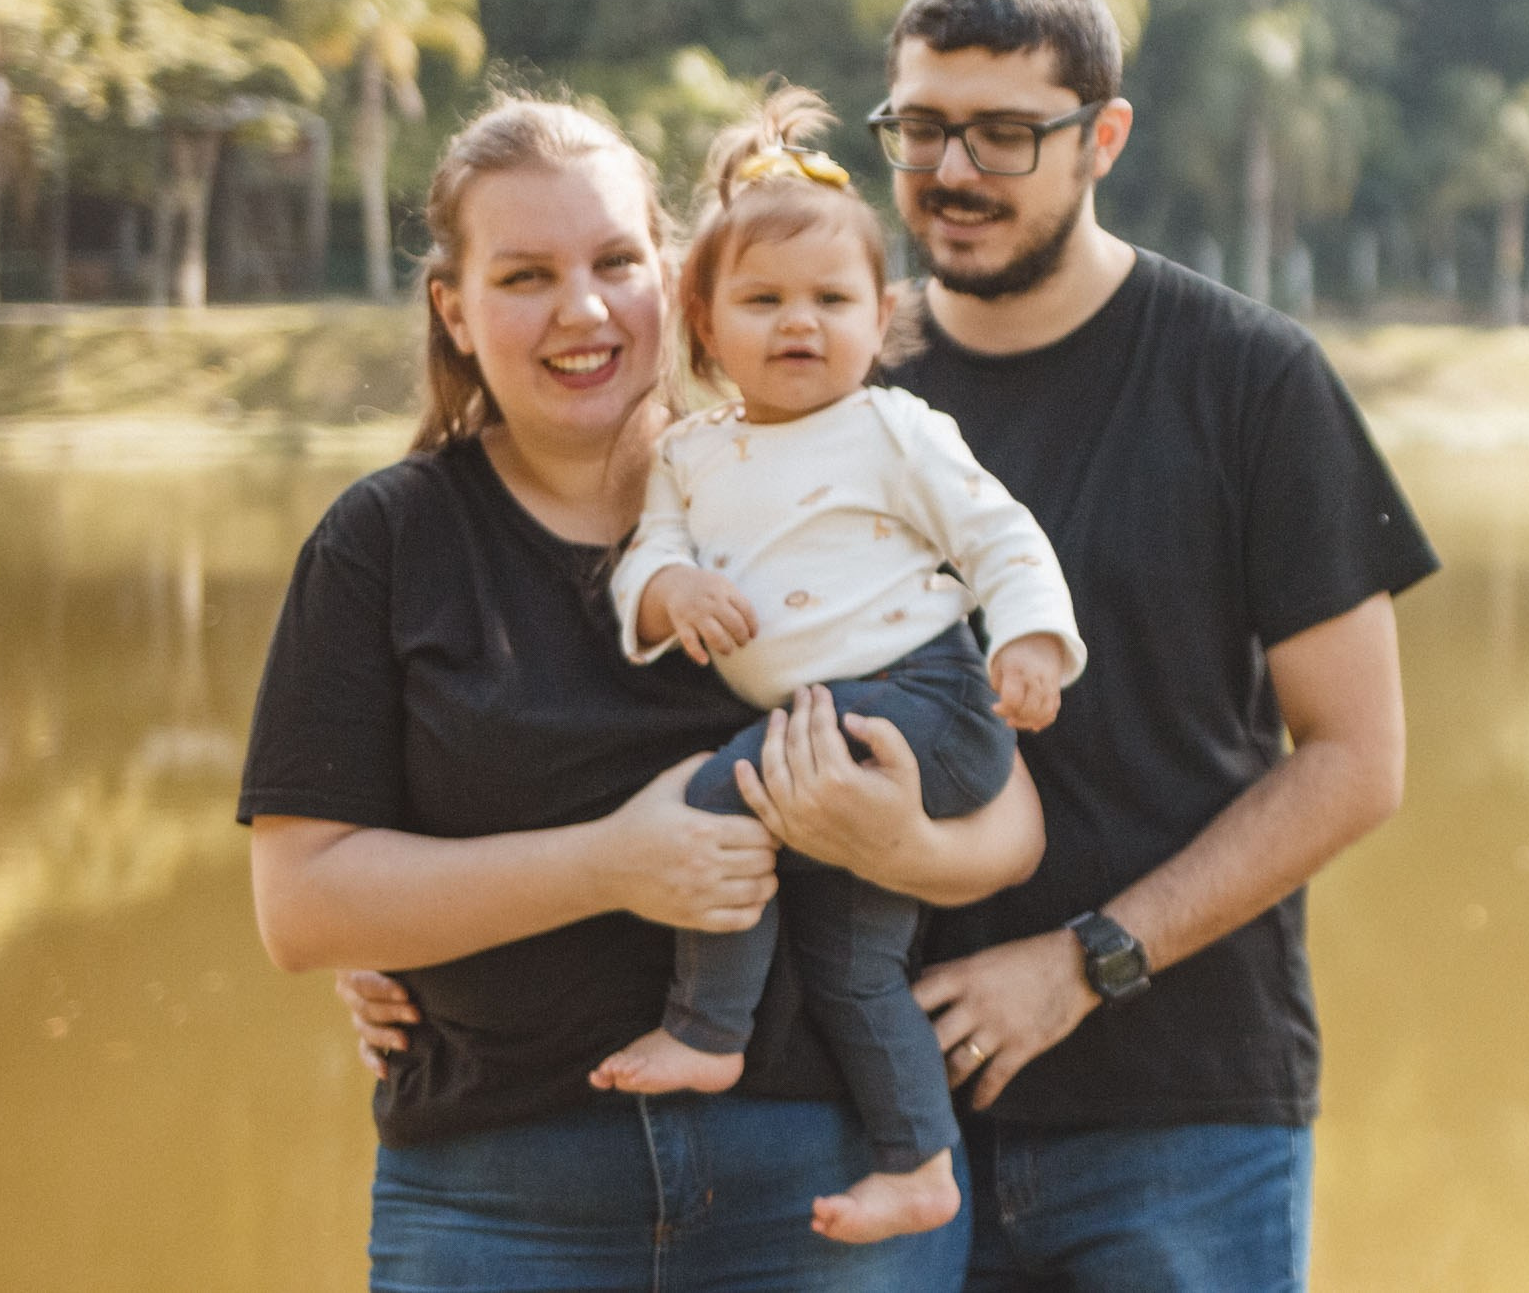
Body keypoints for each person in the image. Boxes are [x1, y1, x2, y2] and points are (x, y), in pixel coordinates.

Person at [341, 0, 1437, 1289]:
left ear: (1104, 137)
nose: (954, 167)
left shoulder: (1250, 379)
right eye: (921, 126)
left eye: (1005, 132)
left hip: (1173, 1104)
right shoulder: (799, 368)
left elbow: (1355, 760)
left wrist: (1088, 961)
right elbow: (578, 692)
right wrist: (427, 951)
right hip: (869, 1119)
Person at [242, 96, 1044, 1292]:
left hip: (820, 1186)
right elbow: (304, 910)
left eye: (616, 262)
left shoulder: (817, 470)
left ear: (675, 283)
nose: (582, 309)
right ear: (454, 309)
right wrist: (614, 862)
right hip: (499, 1197)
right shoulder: (387, 542)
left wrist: (899, 844)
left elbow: (1008, 822)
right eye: (523, 275)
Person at [590, 87, 1085, 1248]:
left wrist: (1027, 640)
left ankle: (708, 1031)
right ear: (702, 323)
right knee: (855, 969)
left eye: (830, 300)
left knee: (728, 792)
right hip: (836, 727)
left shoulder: (896, 429)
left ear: (882, 317)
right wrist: (671, 593)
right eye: (761, 301)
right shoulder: (691, 454)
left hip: (928, 704)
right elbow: (647, 559)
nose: (797, 324)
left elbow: (998, 535)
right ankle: (918, 1166)